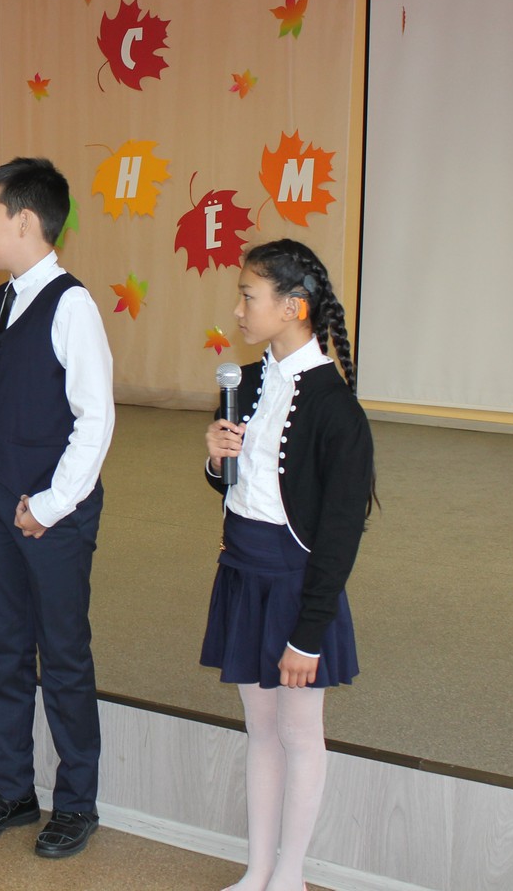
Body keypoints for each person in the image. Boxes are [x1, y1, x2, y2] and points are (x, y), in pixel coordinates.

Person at [0, 157, 115, 860]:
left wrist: (49, 505)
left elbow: (95, 420)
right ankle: (11, 790)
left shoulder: (71, 305)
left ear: (23, 222)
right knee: (7, 650)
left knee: (63, 655)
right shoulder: (0, 301)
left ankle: (76, 803)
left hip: (53, 515)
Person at [200, 238, 375, 891]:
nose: (238, 309)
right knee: (260, 729)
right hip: (243, 572)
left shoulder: (336, 409)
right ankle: (259, 869)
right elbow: (242, 488)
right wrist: (216, 460)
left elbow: (339, 536)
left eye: (249, 296)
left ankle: (290, 875)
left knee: (300, 733)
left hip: (297, 585)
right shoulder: (244, 383)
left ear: (293, 307)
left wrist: (309, 632)